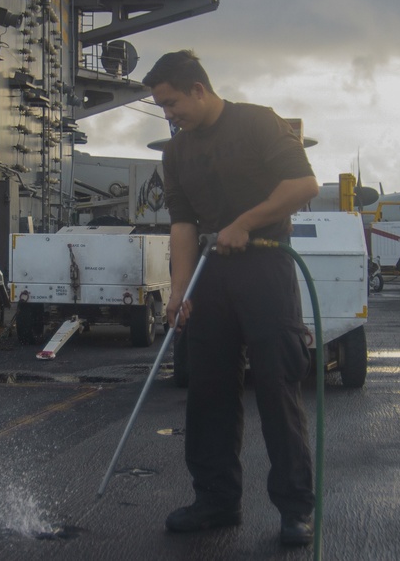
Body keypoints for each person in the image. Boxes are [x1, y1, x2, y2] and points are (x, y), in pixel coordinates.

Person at [143, 50, 319, 547]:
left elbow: (304, 183)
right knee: (208, 392)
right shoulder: (175, 154)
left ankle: (295, 509)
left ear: (198, 88)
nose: (168, 114)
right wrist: (180, 291)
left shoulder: (258, 123)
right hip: (209, 275)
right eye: (162, 106)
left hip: (266, 267)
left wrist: (244, 222)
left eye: (172, 103)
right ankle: (217, 501)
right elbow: (182, 224)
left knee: (276, 389)